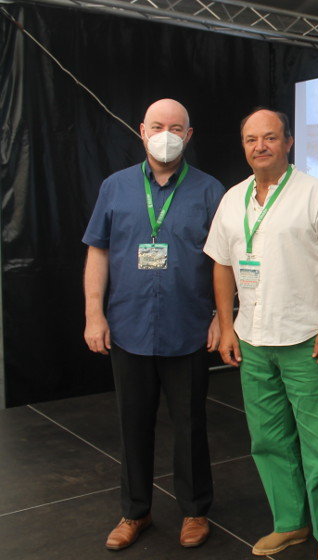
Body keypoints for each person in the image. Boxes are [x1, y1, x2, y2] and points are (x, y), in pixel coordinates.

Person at [203, 108, 318, 560]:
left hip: (306, 338)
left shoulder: (315, 193)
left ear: (288, 142)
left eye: (269, 137)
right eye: (251, 139)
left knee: (317, 443)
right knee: (267, 440)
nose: (260, 146)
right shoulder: (232, 199)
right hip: (252, 338)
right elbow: (222, 264)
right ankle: (290, 524)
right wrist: (227, 326)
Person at [82, 98, 222, 550]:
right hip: (129, 327)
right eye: (158, 125)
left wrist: (223, 316)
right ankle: (134, 512)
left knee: (190, 424)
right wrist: (93, 313)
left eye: (176, 127)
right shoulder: (115, 187)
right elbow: (98, 251)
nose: (167, 134)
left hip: (189, 327)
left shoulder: (210, 190)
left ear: (189, 134)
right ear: (141, 130)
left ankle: (195, 511)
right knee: (132, 424)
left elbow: (227, 261)